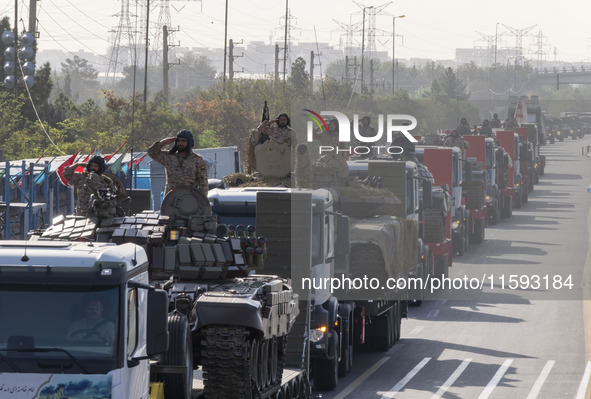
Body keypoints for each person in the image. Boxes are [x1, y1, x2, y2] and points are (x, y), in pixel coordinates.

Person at [148, 129, 209, 197]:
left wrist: (202, 201)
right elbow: (151, 152)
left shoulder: (197, 160)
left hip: (189, 199)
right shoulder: (169, 157)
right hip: (171, 199)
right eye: (178, 141)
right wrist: (163, 142)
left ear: (189, 142)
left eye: (183, 141)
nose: (180, 143)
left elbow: (203, 182)